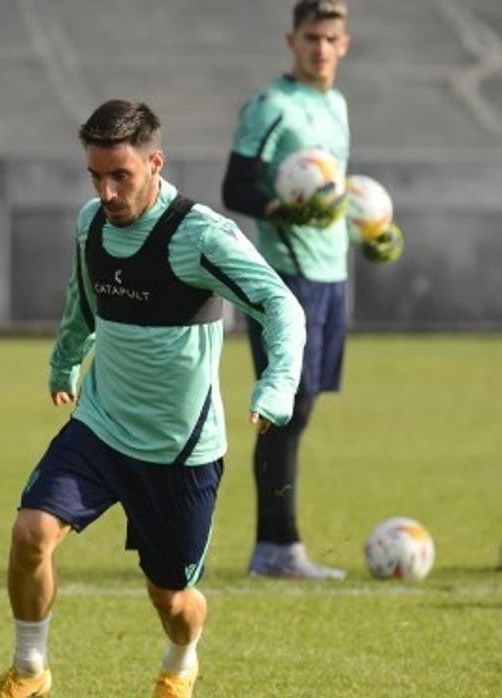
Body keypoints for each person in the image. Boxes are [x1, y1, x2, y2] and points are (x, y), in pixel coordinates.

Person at [0, 100, 306, 698]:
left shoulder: (201, 236)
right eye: (95, 176)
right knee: (29, 534)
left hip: (179, 451)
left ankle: (181, 663)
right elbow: (83, 298)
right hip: (100, 429)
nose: (106, 191)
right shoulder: (92, 223)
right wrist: (65, 359)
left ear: (155, 162)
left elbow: (280, 304)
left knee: (171, 596)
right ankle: (30, 670)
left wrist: (277, 382)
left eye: (120, 175)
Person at [221, 0, 353, 580]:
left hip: (332, 273)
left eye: (330, 38)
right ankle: (276, 547)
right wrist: (280, 209)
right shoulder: (271, 106)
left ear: (343, 44)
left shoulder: (337, 104)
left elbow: (331, 193)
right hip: (286, 276)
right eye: (311, 37)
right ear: (291, 41)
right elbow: (235, 186)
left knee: (304, 409)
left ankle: (280, 548)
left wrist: (370, 230)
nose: (320, 48)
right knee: (285, 408)